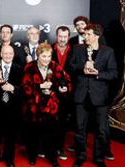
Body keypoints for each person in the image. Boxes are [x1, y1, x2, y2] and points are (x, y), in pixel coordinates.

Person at [71, 24, 117, 167]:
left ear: (97, 36)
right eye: (85, 34)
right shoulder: (78, 49)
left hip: (100, 97)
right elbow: (70, 66)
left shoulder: (108, 52)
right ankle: (80, 157)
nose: (86, 37)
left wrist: (98, 73)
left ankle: (98, 158)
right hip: (81, 95)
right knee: (79, 129)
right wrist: (82, 67)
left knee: (101, 131)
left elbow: (113, 73)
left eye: (89, 34)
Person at [22, 43, 71, 167]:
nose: (47, 59)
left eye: (49, 56)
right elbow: (25, 87)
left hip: (51, 107)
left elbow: (67, 82)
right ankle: (32, 155)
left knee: (51, 134)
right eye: (44, 56)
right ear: (38, 56)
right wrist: (39, 86)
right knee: (33, 133)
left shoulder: (56, 66)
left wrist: (63, 88)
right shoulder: (30, 67)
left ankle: (52, 157)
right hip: (34, 107)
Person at [0, 46, 22, 167]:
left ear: (13, 54)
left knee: (11, 136)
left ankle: (9, 158)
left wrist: (13, 88)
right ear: (1, 54)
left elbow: (24, 88)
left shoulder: (19, 68)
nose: (8, 55)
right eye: (5, 53)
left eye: (10, 53)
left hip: (12, 108)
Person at [52, 26, 75, 161]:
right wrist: (56, 87)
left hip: (67, 94)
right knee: (49, 122)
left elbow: (76, 73)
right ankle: (48, 147)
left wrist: (67, 87)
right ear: (56, 36)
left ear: (68, 37)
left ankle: (59, 148)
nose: (62, 39)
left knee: (62, 123)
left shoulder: (75, 50)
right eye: (60, 36)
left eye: (65, 37)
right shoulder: (49, 48)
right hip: (51, 93)